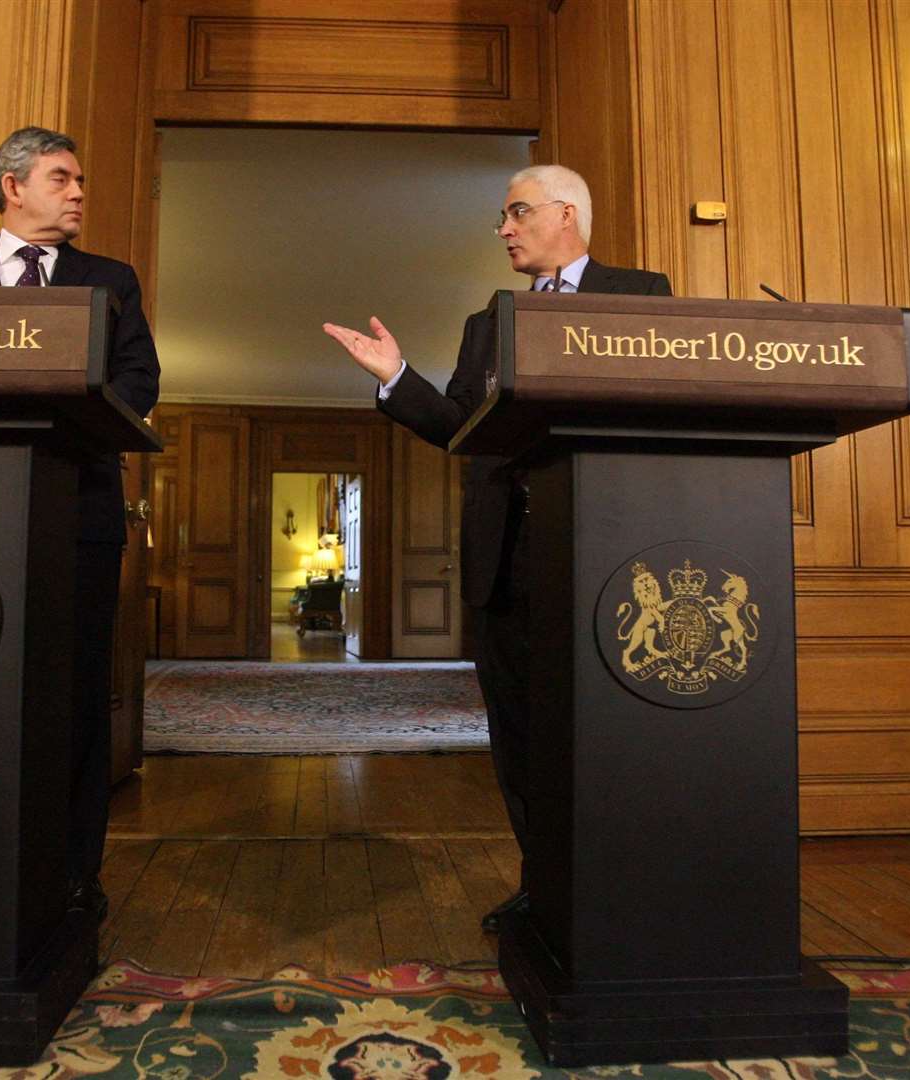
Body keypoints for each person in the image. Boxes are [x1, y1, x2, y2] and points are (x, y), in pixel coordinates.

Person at [323, 164, 671, 931]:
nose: (503, 229)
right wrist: (397, 378)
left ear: (567, 214)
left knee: (603, 731)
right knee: (518, 735)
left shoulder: (643, 296)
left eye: (516, 213)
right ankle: (542, 884)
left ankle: (618, 882)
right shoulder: (491, 320)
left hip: (602, 555)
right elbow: (459, 428)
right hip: (503, 558)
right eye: (502, 217)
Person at [0, 127, 159, 920]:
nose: (79, 190)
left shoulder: (109, 279)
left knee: (76, 701)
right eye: (62, 177)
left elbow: (138, 381)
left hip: (80, 516)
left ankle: (73, 876)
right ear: (12, 186)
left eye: (81, 178)